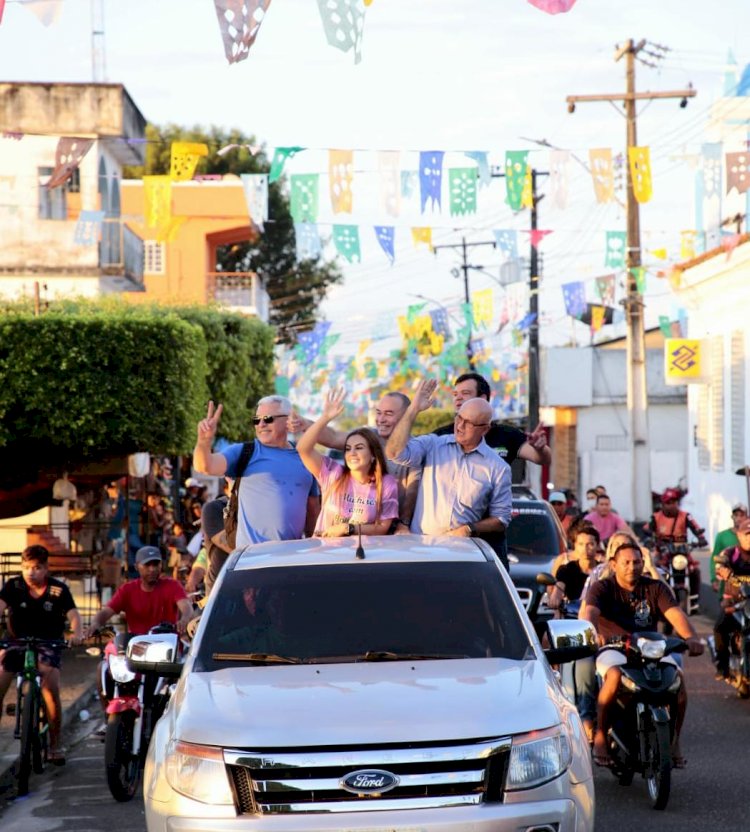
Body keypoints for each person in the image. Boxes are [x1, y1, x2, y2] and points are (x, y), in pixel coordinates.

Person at [583, 540, 704, 768]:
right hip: (614, 649)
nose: (632, 567)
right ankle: (600, 735)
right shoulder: (602, 588)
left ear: (643, 563)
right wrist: (591, 633)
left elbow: (675, 613)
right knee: (615, 676)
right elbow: (590, 613)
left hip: (651, 648)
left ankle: (674, 740)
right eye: (626, 562)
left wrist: (692, 638)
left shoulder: (656, 587)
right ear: (614, 564)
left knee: (677, 681)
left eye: (637, 562)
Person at [386, 379, 512, 545]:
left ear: (485, 429)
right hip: (421, 545)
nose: (459, 426)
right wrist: (413, 409)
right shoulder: (433, 445)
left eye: (468, 423)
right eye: (458, 418)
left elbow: (501, 519)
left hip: (461, 552)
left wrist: (469, 529)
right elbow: (394, 452)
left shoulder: (498, 467)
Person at [192, 396, 320, 547]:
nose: (261, 424)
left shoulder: (305, 456)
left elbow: (313, 509)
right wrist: (204, 441)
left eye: (267, 419)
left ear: (288, 420)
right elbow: (205, 466)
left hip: (291, 558)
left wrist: (312, 549)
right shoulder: (246, 452)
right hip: (252, 560)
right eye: (256, 420)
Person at [289, 390, 422, 529]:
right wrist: (306, 423)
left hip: (391, 535)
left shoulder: (415, 450)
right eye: (378, 412)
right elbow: (331, 437)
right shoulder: (335, 473)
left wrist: (403, 524)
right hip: (340, 542)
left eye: (388, 414)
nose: (381, 419)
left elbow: (412, 491)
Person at [0, 545, 82, 764]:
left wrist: (77, 633)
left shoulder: (58, 590)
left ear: (46, 568)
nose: (30, 572)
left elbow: (74, 616)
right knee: (0, 679)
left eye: (36, 568)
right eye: (26, 567)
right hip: (16, 642)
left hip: (49, 643)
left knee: (50, 686)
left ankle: (55, 745)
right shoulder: (13, 586)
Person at [546, 525, 600, 742]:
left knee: (586, 664)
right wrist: (555, 597)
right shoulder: (567, 570)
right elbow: (558, 589)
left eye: (590, 544)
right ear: (574, 547)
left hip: (596, 630)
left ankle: (587, 717)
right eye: (581, 544)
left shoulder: (603, 571)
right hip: (570, 629)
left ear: (597, 546)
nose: (586, 549)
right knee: (551, 653)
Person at [433, 372, 551, 466]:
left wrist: (540, 449)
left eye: (465, 393)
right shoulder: (441, 436)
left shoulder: (506, 434)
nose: (458, 398)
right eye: (455, 394)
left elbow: (543, 459)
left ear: (482, 398)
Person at [84, 546, 193, 638]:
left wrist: (184, 619)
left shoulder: (172, 585)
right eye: (147, 565)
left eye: (156, 564)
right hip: (137, 648)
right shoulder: (127, 590)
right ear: (136, 567)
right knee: (106, 661)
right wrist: (95, 624)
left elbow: (186, 606)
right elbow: (106, 612)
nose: (152, 569)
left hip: (168, 646)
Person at [712, 518, 750, 680]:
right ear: (739, 536)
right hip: (735, 602)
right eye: (747, 534)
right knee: (720, 628)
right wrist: (722, 570)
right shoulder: (730, 553)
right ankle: (723, 666)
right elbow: (719, 566)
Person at [711, 502, 748, 591]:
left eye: (742, 515)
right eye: (736, 515)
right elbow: (715, 558)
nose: (739, 518)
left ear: (746, 517)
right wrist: (714, 579)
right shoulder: (722, 536)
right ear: (732, 517)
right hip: (729, 581)